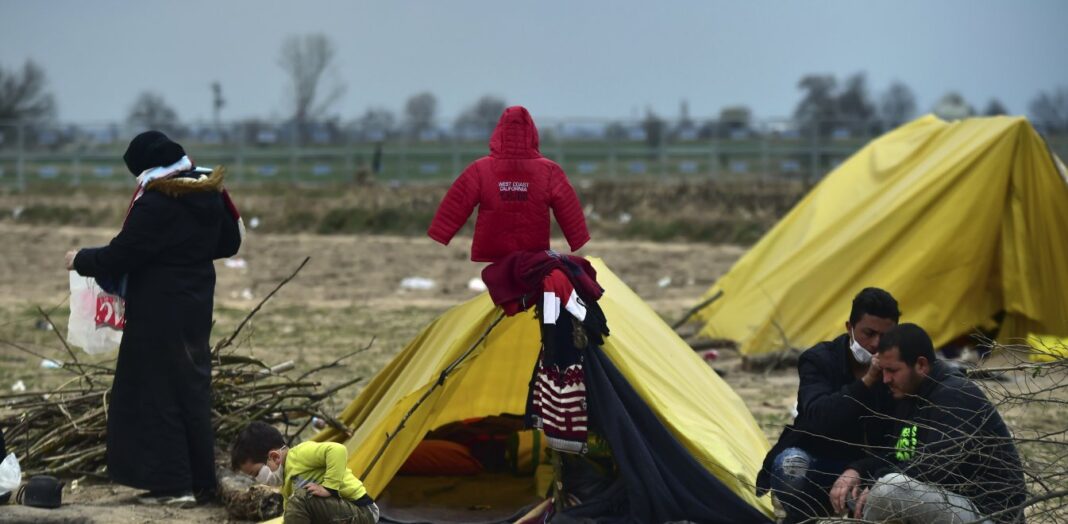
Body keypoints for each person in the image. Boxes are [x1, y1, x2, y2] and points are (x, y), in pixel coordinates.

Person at [65, 131, 242, 507]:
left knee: (157, 390)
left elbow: (123, 254)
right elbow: (229, 244)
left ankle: (172, 485)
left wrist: (80, 259)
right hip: (195, 305)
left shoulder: (157, 202)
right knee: (190, 389)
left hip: (157, 309)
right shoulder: (208, 191)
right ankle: (200, 481)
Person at [835, 323, 1026, 524]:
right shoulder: (910, 396)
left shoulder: (955, 395)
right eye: (883, 370)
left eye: (892, 370)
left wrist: (876, 483)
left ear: (921, 365)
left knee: (887, 490)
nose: (885, 379)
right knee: (865, 488)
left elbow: (935, 467)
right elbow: (898, 456)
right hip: (949, 505)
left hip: (988, 515)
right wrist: (857, 470)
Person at [756, 287, 899, 523]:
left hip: (872, 470)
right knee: (791, 464)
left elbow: (902, 436)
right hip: (823, 464)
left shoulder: (899, 367)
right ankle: (800, 514)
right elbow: (818, 418)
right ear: (849, 328)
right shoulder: (820, 360)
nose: (876, 344)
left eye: (886, 336)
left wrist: (861, 470)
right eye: (869, 333)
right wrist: (868, 381)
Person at [426, 105, 589, 263]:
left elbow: (457, 201)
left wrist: (441, 232)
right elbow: (568, 206)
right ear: (532, 133)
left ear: (499, 132)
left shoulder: (480, 168)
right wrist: (578, 238)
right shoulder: (549, 170)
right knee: (527, 287)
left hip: (493, 246)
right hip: (532, 250)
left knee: (498, 288)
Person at [231, 422, 379, 524]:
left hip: (363, 512)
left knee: (301, 498)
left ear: (275, 457)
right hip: (340, 513)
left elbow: (337, 450)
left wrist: (329, 487)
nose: (258, 479)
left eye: (256, 473)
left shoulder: (300, 454)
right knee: (293, 507)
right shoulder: (287, 485)